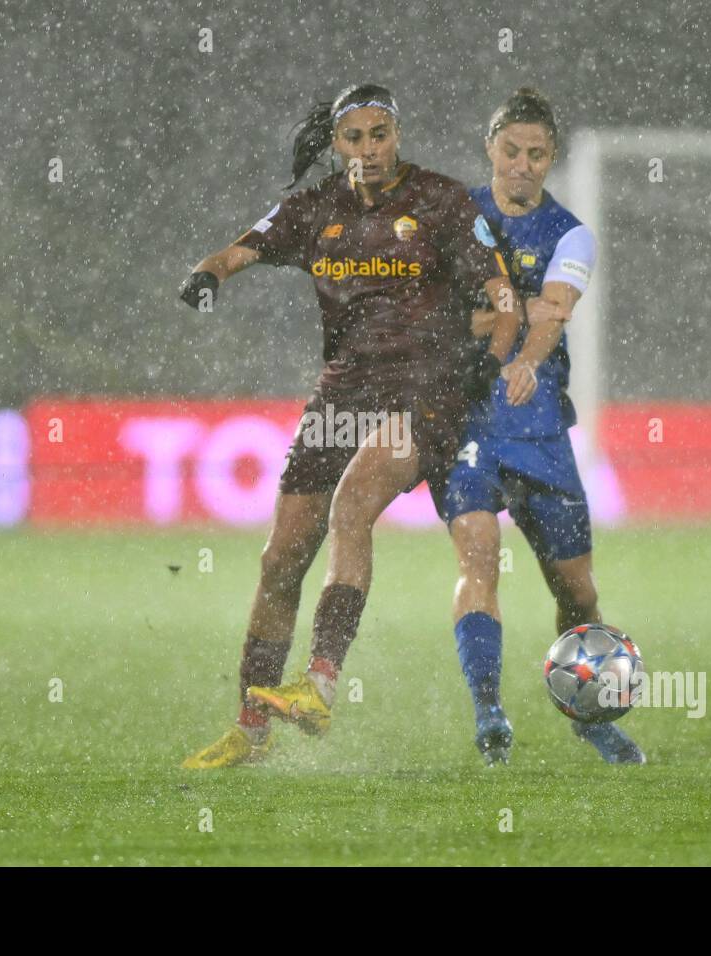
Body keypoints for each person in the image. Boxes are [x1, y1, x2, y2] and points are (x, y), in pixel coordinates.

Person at [180, 84, 527, 768]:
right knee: (280, 560)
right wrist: (207, 273)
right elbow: (243, 248)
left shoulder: (440, 202)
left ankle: (318, 685)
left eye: (380, 134)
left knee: (353, 503)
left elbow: (504, 302)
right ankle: (250, 729)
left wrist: (485, 366)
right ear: (337, 144)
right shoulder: (315, 211)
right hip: (343, 394)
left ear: (397, 134)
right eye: (354, 137)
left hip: (424, 390)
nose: (369, 149)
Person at [430, 88, 646, 765]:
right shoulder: (451, 217)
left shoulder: (571, 233)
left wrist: (516, 342)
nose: (521, 164)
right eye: (510, 150)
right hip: (467, 421)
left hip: (542, 429)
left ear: (551, 159)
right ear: (490, 147)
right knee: (477, 554)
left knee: (576, 591)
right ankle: (489, 710)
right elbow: (436, 315)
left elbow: (553, 312)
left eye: (537, 154)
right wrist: (505, 312)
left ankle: (588, 715)